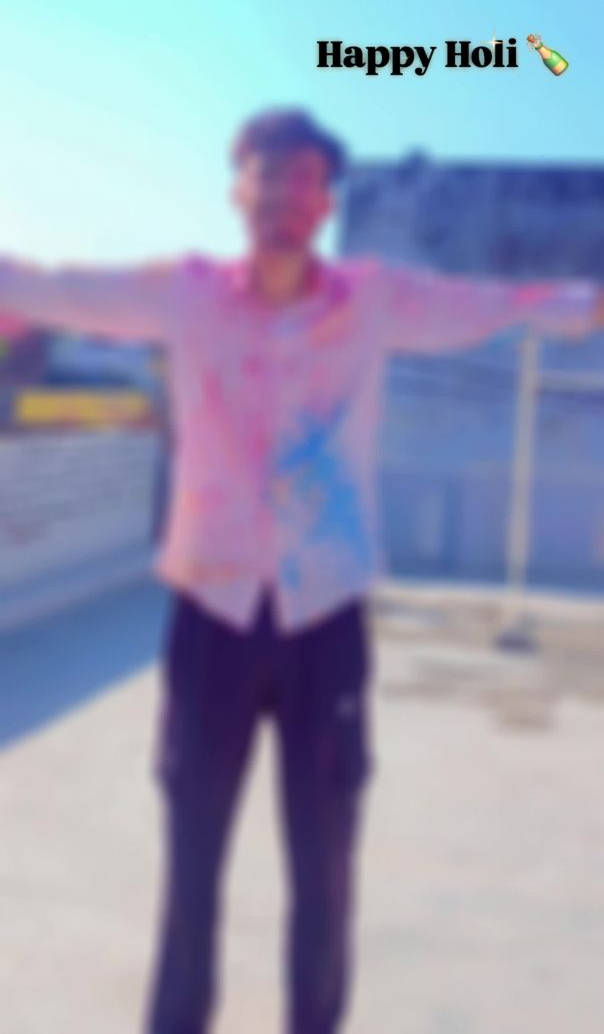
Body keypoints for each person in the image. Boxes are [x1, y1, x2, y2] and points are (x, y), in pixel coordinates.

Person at [0, 109, 602, 1034]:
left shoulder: (375, 299)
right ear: (238, 191)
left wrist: (587, 302)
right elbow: (52, 287)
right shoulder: (184, 294)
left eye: (304, 180)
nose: (283, 197)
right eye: (266, 176)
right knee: (190, 866)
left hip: (326, 621)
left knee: (325, 872)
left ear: (326, 203)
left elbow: (495, 305)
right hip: (212, 615)